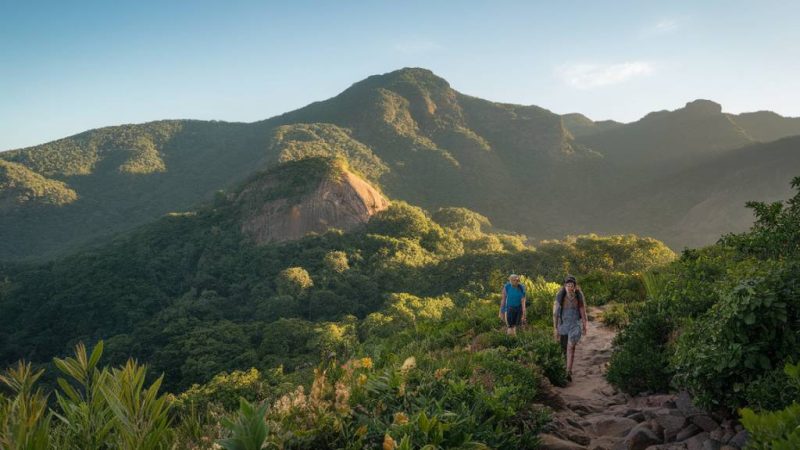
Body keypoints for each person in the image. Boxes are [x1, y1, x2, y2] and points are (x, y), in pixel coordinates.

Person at [553, 275, 588, 382]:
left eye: (571, 285)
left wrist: (584, 324)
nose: (569, 287)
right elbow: (555, 313)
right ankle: (563, 370)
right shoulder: (561, 296)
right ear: (565, 286)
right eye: (567, 285)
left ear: (575, 286)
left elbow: (582, 309)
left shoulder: (578, 295)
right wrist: (555, 328)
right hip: (563, 325)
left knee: (571, 347)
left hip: (574, 325)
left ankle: (568, 371)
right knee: (563, 349)